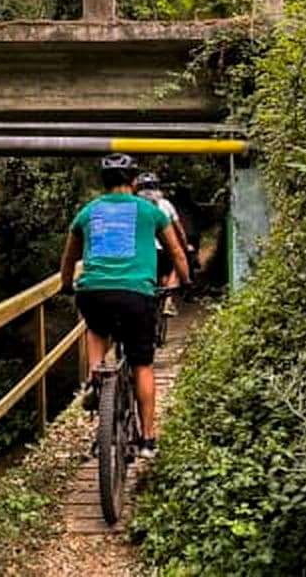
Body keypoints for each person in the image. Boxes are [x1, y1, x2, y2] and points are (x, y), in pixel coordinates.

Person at [60, 153, 190, 459]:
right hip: (136, 295)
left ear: (103, 184)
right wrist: (184, 280)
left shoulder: (88, 212)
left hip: (94, 292)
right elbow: (176, 251)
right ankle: (147, 439)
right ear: (133, 182)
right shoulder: (149, 211)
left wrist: (67, 284)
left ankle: (95, 377)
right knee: (141, 364)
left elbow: (69, 259)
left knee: (96, 327)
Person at [135, 171, 191, 316]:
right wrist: (185, 245)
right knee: (176, 266)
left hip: (142, 251)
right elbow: (179, 229)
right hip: (163, 250)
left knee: (155, 275)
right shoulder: (165, 204)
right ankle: (168, 302)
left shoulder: (134, 205)